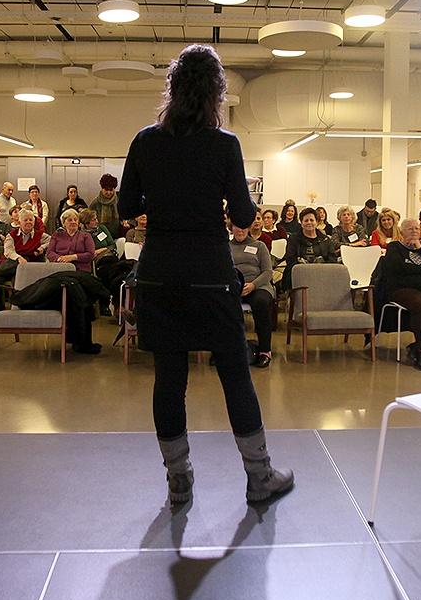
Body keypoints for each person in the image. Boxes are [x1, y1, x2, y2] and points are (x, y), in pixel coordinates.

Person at [118, 44, 293, 505]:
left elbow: (126, 206)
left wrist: (162, 202)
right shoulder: (224, 144)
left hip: (159, 273)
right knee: (235, 373)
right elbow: (243, 214)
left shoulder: (145, 141)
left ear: (172, 88)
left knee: (168, 378)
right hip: (211, 274)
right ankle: (259, 477)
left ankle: (178, 480)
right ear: (217, 92)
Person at [377, 217, 421, 371]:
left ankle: (420, 345)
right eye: (410, 228)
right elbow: (397, 268)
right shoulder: (394, 247)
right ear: (402, 232)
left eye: (416, 228)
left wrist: (419, 247)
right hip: (400, 289)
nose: (414, 231)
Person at [229, 222, 275, 368]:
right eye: (237, 227)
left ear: (248, 228)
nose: (240, 230)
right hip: (235, 287)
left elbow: (268, 272)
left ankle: (264, 351)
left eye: (243, 227)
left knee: (261, 303)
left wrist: (253, 285)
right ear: (231, 228)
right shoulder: (226, 247)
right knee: (221, 304)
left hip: (258, 286)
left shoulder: (259, 246)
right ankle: (225, 349)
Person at [0, 208, 49, 292]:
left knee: (18, 282)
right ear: (19, 222)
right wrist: (18, 258)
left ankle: (16, 299)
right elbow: (8, 251)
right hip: (10, 263)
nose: (28, 222)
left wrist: (42, 247)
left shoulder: (40, 235)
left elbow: (52, 241)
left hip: (28, 266)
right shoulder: (11, 235)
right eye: (25, 220)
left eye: (31, 220)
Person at [282, 206, 335, 290]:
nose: (309, 222)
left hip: (322, 274)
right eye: (306, 220)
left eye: (312, 220)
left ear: (316, 222)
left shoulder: (325, 240)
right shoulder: (293, 239)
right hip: (299, 275)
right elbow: (290, 259)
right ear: (301, 223)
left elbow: (332, 259)